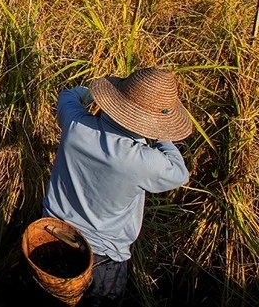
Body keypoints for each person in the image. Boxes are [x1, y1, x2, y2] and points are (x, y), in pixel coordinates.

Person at [42, 66, 192, 305]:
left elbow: (69, 95)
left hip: (49, 236)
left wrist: (97, 95)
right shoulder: (146, 161)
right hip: (101, 258)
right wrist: (161, 133)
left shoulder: (76, 126)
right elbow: (180, 172)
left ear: (116, 100)